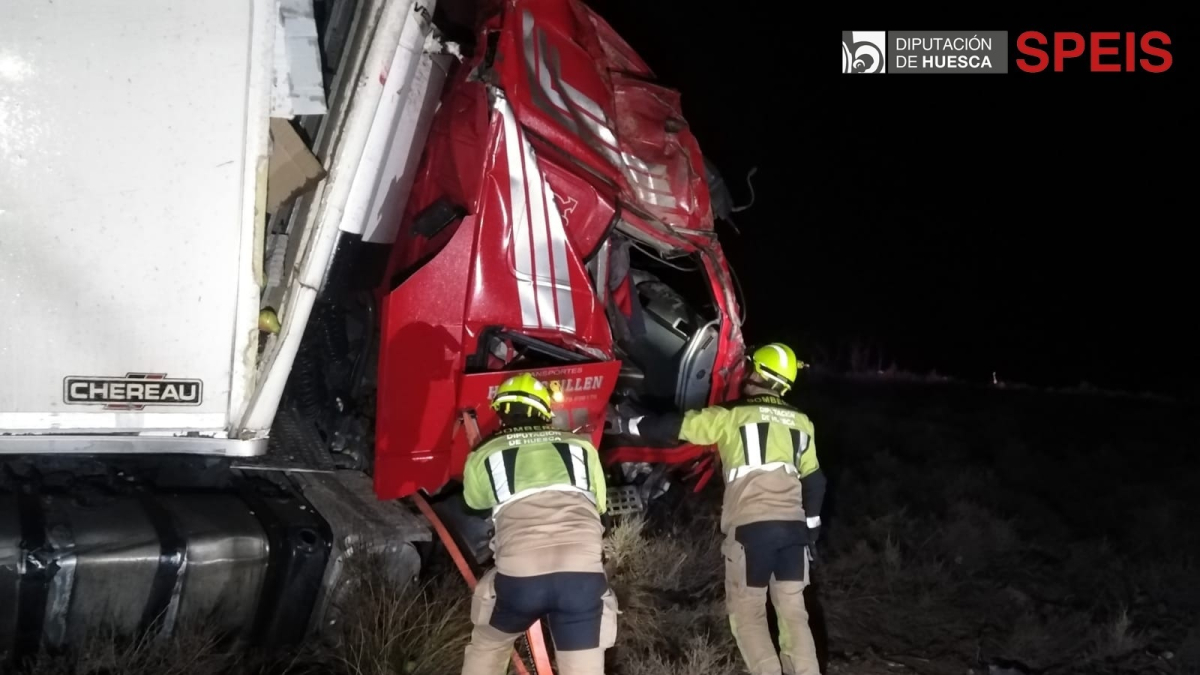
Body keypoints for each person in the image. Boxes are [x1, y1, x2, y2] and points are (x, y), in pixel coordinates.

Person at [606, 343, 826, 675]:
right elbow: (816, 482)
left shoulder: (731, 417)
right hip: (794, 533)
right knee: (794, 613)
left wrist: (625, 424)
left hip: (752, 532)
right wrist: (810, 532)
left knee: (748, 614)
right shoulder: (802, 424)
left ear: (757, 374)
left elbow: (672, 428)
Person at [460, 372, 618, 675]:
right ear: (546, 413)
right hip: (581, 580)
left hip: (521, 579)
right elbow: (599, 506)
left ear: (502, 413)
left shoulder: (484, 454)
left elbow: (472, 504)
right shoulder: (581, 448)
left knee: (489, 644)